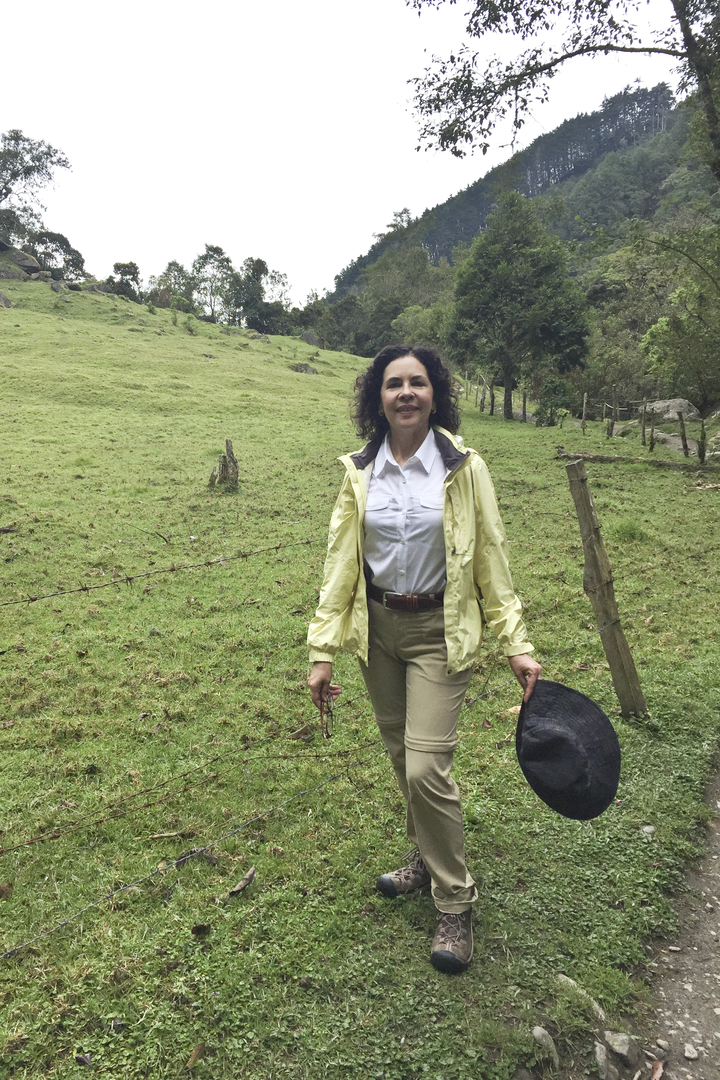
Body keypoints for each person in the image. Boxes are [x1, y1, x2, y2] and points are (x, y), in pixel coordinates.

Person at [307, 344, 541, 974]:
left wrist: (516, 644)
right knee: (401, 758)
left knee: (425, 768)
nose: (405, 393)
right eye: (394, 384)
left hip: (441, 630)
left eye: (417, 382)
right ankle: (424, 855)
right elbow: (340, 564)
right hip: (378, 630)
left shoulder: (463, 467)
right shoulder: (361, 471)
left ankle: (455, 901)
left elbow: (490, 556)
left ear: (434, 393)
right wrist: (323, 650)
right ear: (378, 397)